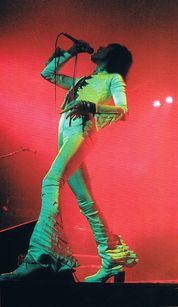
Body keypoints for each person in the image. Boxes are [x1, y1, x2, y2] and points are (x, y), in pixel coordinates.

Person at [0, 40, 138, 282]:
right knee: (86, 202)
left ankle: (40, 258)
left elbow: (123, 110)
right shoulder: (82, 81)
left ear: (112, 57)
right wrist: (70, 52)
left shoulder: (113, 79)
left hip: (81, 133)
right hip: (66, 135)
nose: (100, 47)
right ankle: (112, 260)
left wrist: (91, 106)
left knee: (50, 181)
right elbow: (47, 73)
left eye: (105, 47)